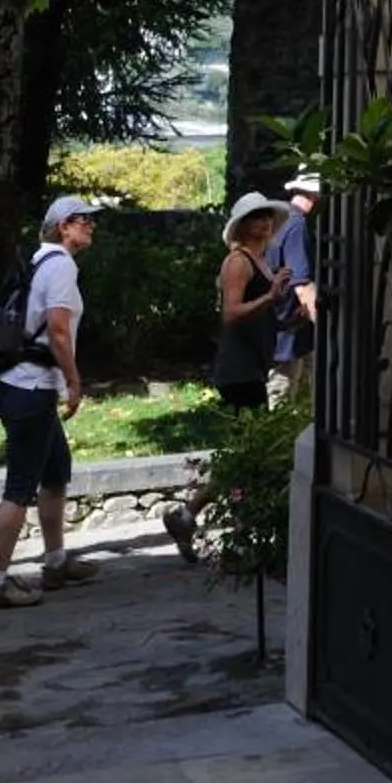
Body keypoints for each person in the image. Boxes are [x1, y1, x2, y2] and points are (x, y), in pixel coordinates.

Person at [0, 193, 103, 610]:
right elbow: (58, 331)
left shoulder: (38, 260)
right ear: (61, 227)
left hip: (14, 383)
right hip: (30, 388)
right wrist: (73, 380)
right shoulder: (62, 265)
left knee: (56, 471)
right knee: (20, 486)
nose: (90, 225)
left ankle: (56, 563)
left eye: (89, 219)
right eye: (81, 219)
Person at [161, 193, 295, 558]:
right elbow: (232, 313)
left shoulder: (261, 260)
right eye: (255, 218)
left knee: (247, 452)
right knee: (248, 453)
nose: (263, 223)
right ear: (241, 225)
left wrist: (285, 312)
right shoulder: (238, 262)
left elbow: (263, 315)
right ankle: (225, 521)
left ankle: (194, 516)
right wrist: (270, 296)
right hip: (238, 370)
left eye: (267, 216)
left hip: (252, 365)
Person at [267, 170, 319, 399]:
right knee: (282, 389)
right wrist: (324, 325)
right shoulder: (297, 225)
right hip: (289, 327)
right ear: (314, 196)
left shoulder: (280, 220)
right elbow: (301, 284)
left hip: (276, 321)